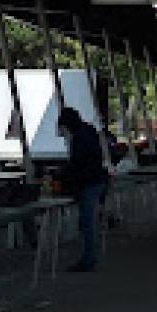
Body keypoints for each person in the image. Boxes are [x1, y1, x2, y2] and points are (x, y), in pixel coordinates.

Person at [57, 105, 107, 272]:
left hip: (88, 183)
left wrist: (65, 177)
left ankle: (88, 259)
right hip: (97, 180)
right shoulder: (90, 131)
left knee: (88, 224)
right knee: (88, 222)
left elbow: (77, 164)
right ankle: (89, 257)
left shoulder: (78, 138)